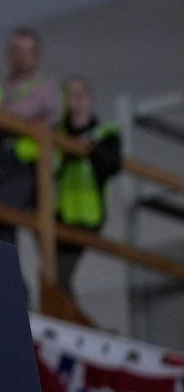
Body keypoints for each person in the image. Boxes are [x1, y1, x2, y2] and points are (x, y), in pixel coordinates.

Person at [0, 27, 61, 246]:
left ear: (37, 56)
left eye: (28, 52)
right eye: (17, 51)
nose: (21, 58)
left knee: (5, 223)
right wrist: (10, 122)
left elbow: (36, 113)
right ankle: (12, 280)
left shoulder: (47, 86)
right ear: (9, 54)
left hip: (28, 169)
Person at [54, 77, 121, 292]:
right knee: (56, 276)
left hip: (90, 216)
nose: (78, 99)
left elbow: (113, 165)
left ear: (90, 99)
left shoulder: (106, 132)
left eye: (82, 93)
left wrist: (91, 148)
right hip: (60, 215)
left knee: (61, 276)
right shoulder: (55, 132)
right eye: (72, 94)